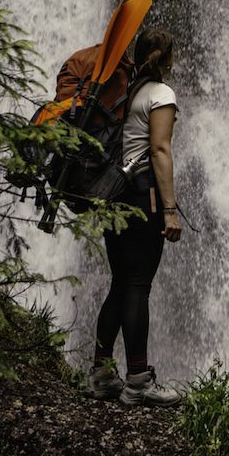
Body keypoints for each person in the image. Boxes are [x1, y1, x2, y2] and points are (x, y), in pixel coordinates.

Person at [87, 26, 182, 407]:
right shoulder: (161, 94)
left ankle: (101, 373)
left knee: (120, 283)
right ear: (168, 58)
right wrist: (171, 210)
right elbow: (159, 150)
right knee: (138, 285)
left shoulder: (124, 95)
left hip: (113, 198)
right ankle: (138, 380)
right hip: (143, 200)